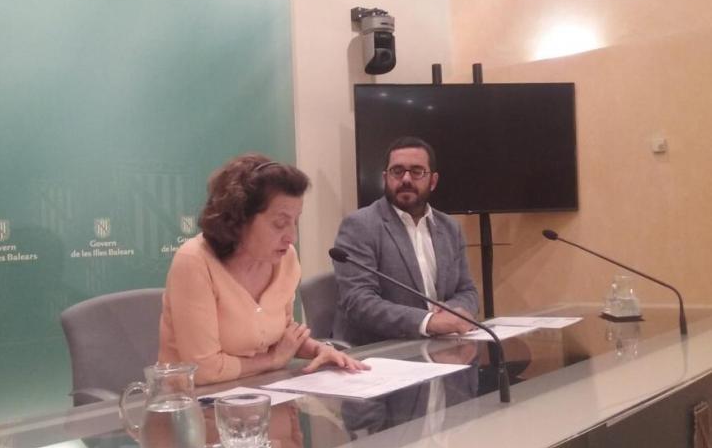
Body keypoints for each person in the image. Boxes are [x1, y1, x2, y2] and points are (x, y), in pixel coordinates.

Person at [158, 153, 367, 385]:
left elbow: (283, 337)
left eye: (295, 221)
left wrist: (321, 349)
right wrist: (272, 360)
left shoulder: (286, 258)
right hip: (195, 400)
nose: (292, 237)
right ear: (238, 219)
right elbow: (203, 370)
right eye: (280, 223)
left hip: (263, 394)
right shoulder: (194, 261)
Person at [332, 136, 480, 346]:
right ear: (385, 178)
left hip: (441, 346)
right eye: (397, 171)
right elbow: (358, 301)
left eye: (417, 171)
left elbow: (467, 291)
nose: (406, 179)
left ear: (433, 181)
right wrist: (428, 321)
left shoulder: (450, 228)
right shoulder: (360, 226)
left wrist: (452, 311)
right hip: (379, 351)